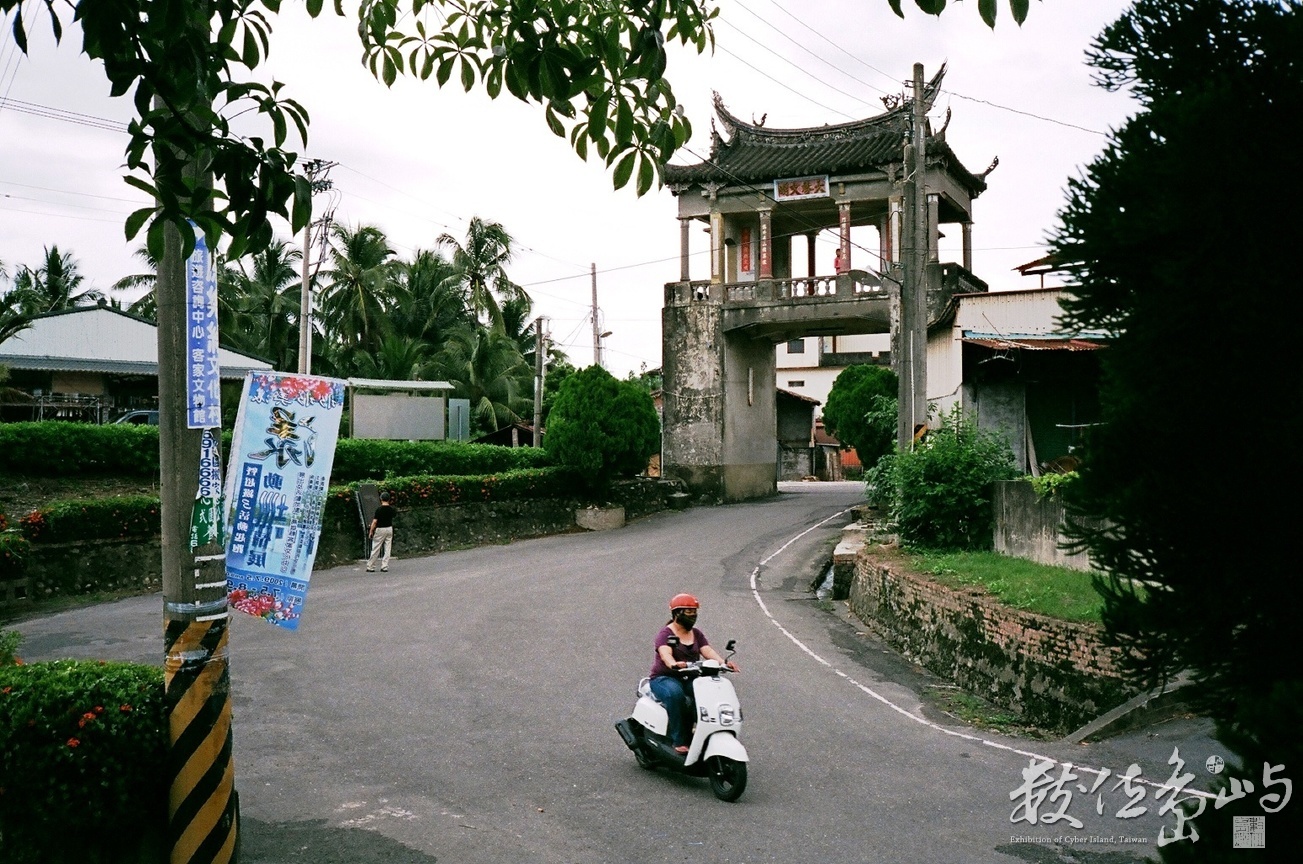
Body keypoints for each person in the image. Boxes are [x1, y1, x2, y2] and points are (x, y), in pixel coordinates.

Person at [648, 593, 739, 753]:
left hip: (690, 677)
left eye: (694, 612)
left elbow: (707, 650)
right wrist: (674, 664)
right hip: (665, 677)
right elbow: (665, 653)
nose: (692, 616)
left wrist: (723, 663)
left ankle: (704, 732)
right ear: (677, 614)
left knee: (708, 694)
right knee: (675, 694)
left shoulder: (696, 633)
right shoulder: (666, 634)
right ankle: (679, 740)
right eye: (688, 612)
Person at [366, 491, 396, 572]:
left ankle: (371, 566)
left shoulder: (379, 510)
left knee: (376, 547)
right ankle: (384, 566)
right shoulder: (391, 509)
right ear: (389, 499)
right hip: (389, 528)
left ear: (381, 499)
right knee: (388, 548)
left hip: (380, 529)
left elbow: (375, 522)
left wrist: (371, 531)